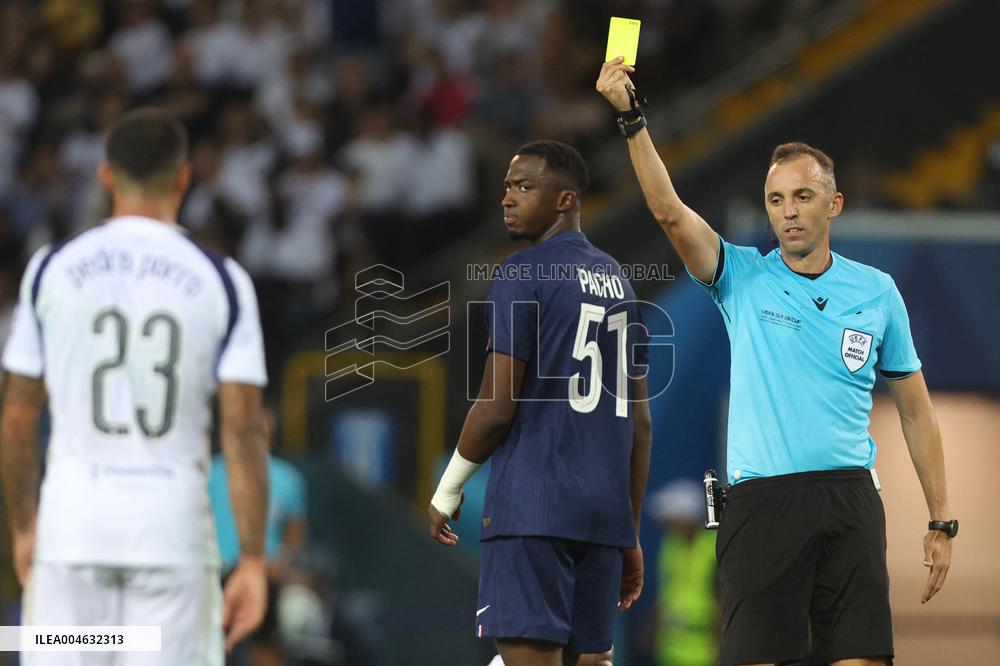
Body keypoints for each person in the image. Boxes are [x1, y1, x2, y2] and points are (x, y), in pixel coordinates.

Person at [596, 58, 955, 666]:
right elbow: (668, 210)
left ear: (834, 203)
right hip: (762, 505)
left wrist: (941, 522)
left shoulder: (877, 291)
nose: (788, 210)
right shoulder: (740, 277)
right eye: (776, 199)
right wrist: (631, 119)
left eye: (803, 196)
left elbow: (917, 414)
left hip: (849, 499)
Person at [0, 108, 270, 664]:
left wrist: (25, 527)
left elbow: (18, 414)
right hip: (169, 540)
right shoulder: (222, 278)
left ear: (105, 176)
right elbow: (243, 429)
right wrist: (252, 560)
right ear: (183, 178)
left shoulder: (51, 267)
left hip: (71, 534)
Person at [428, 140, 653, 666]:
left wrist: (448, 487)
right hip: (601, 521)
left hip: (534, 512)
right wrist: (628, 531)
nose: (508, 198)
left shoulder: (521, 272)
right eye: (507, 187)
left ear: (565, 201)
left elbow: (496, 406)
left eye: (525, 187)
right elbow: (639, 425)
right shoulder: (621, 283)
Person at [209, 405, 307, 665]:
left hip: (263, 575)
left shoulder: (288, 479)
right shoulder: (210, 473)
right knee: (209, 645)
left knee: (266, 648)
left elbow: (295, 534)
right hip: (215, 573)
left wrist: (281, 563)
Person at [647, 480, 718, 666]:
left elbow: (722, 599)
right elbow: (666, 593)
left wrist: (721, 646)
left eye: (672, 518)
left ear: (687, 518)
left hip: (705, 650)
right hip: (670, 649)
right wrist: (652, 629)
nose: (667, 523)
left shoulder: (713, 548)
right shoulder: (670, 546)